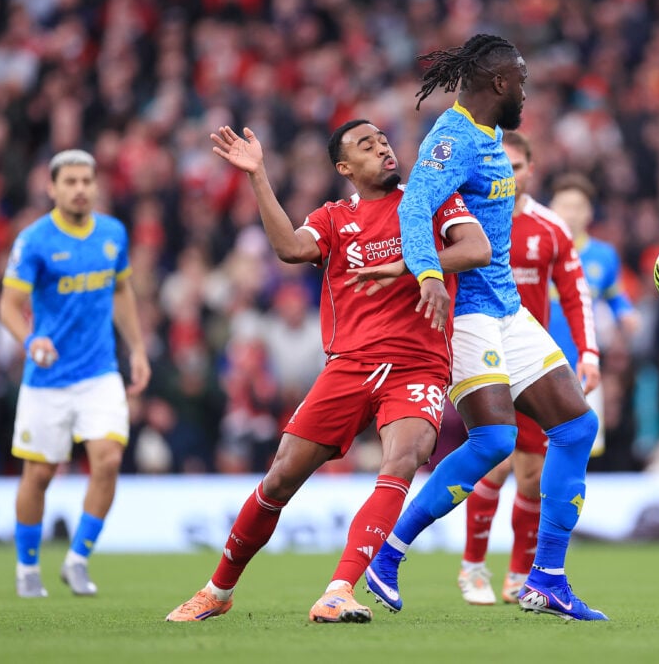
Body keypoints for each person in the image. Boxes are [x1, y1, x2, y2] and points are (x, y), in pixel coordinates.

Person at [164, 120, 490, 623]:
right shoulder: (335, 217)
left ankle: (339, 591)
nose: (382, 148)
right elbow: (291, 249)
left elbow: (477, 249)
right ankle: (217, 591)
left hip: (418, 364)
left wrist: (415, 265)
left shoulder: (427, 197)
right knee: (279, 479)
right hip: (350, 366)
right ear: (344, 167)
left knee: (403, 459)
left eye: (383, 140)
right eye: (366, 145)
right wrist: (258, 176)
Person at [356, 34, 608, 621]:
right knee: (494, 442)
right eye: (521, 80)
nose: (525, 91)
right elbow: (414, 205)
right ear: (499, 83)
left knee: (577, 427)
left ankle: (546, 578)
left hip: (507, 309)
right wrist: (427, 274)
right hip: (468, 314)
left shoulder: (489, 135)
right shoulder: (453, 138)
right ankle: (388, 555)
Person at [0, 149, 151, 598]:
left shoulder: (112, 233)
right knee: (40, 474)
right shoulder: (34, 240)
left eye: (87, 180)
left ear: (96, 185)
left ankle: (78, 559)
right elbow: (8, 305)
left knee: (108, 459)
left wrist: (137, 349)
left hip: (100, 371)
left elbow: (121, 291)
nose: (80, 189)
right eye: (70, 181)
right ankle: (27, 567)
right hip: (47, 377)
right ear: (52, 188)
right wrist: (31, 341)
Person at [457, 131, 600, 606]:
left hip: (529, 363)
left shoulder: (550, 228)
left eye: (516, 166)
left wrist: (589, 353)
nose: (509, 174)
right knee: (495, 461)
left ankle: (520, 574)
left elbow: (576, 294)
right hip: (483, 357)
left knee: (534, 474)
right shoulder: (467, 219)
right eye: (501, 165)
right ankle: (473, 566)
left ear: (530, 170)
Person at [547, 173, 639, 457]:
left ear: (589, 213)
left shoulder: (604, 255)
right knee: (535, 447)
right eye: (565, 205)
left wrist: (626, 313)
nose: (571, 213)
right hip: (539, 363)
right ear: (551, 208)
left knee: (583, 448)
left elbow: (615, 295)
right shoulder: (536, 250)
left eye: (578, 207)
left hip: (583, 364)